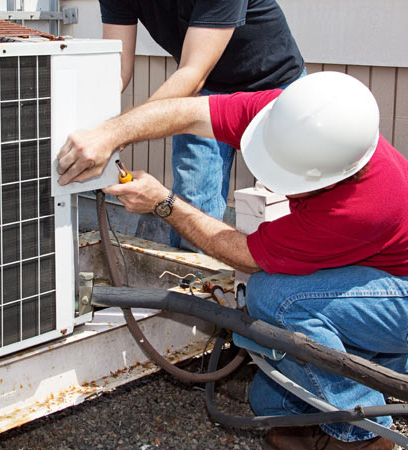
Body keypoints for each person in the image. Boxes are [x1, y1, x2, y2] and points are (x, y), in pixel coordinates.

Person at [57, 72, 408, 449]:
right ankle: (362, 371)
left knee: (276, 299)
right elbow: (186, 112)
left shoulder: (361, 207)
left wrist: (164, 204)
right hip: (368, 278)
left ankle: (363, 436)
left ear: (330, 179)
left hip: (398, 296)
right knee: (268, 401)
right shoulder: (289, 115)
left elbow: (246, 255)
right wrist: (111, 133)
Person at [95, 0, 305, 251]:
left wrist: (114, 135)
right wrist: (90, 126)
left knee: (293, 201)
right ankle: (194, 285)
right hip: (206, 92)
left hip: (273, 87)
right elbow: (118, 69)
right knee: (192, 203)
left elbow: (192, 72)